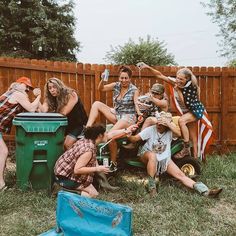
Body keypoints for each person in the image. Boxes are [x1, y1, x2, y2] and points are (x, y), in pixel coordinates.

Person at [128, 112, 222, 197]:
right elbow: (135, 139)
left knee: (181, 175)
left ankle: (206, 191)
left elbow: (179, 133)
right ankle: (152, 187)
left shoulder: (170, 132)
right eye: (157, 123)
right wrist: (129, 135)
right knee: (153, 156)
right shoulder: (151, 130)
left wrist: (168, 123)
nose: (158, 125)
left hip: (164, 158)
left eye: (161, 124)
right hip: (146, 155)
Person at [137, 62, 212, 159]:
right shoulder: (175, 82)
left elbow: (185, 103)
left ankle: (186, 149)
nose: (178, 80)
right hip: (186, 112)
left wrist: (178, 91)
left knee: (182, 121)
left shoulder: (191, 88)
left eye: (181, 79)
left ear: (187, 79)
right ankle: (195, 159)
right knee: (192, 137)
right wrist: (147, 67)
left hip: (194, 111)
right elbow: (159, 75)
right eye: (177, 78)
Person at [54, 124, 136, 198]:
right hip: (65, 176)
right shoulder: (88, 151)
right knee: (92, 195)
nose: (107, 134)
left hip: (63, 170)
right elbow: (77, 170)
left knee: (94, 191)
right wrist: (98, 169)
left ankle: (103, 183)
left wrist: (126, 130)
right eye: (105, 133)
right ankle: (62, 191)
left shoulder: (88, 139)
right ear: (100, 136)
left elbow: (111, 135)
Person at [86, 66, 142, 171]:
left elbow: (136, 103)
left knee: (110, 136)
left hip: (128, 117)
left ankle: (113, 163)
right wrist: (102, 79)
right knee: (97, 104)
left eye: (126, 78)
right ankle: (87, 128)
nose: (123, 80)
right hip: (117, 114)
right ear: (119, 78)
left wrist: (139, 113)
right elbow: (101, 89)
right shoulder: (116, 86)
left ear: (130, 78)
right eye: (122, 78)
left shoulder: (134, 90)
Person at [0, 77, 41, 191]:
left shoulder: (15, 96)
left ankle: (1, 184)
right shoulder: (18, 94)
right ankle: (1, 184)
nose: (27, 88)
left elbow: (32, 111)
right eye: (26, 85)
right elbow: (32, 109)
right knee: (3, 152)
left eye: (29, 88)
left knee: (2, 152)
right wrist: (38, 96)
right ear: (18, 84)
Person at [39, 78, 88, 150]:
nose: (52, 90)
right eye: (50, 88)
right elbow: (43, 111)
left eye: (54, 87)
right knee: (54, 143)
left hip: (79, 125)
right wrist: (38, 97)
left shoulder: (71, 94)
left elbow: (64, 112)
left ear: (59, 86)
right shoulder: (50, 98)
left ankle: (76, 160)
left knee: (67, 144)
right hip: (65, 125)